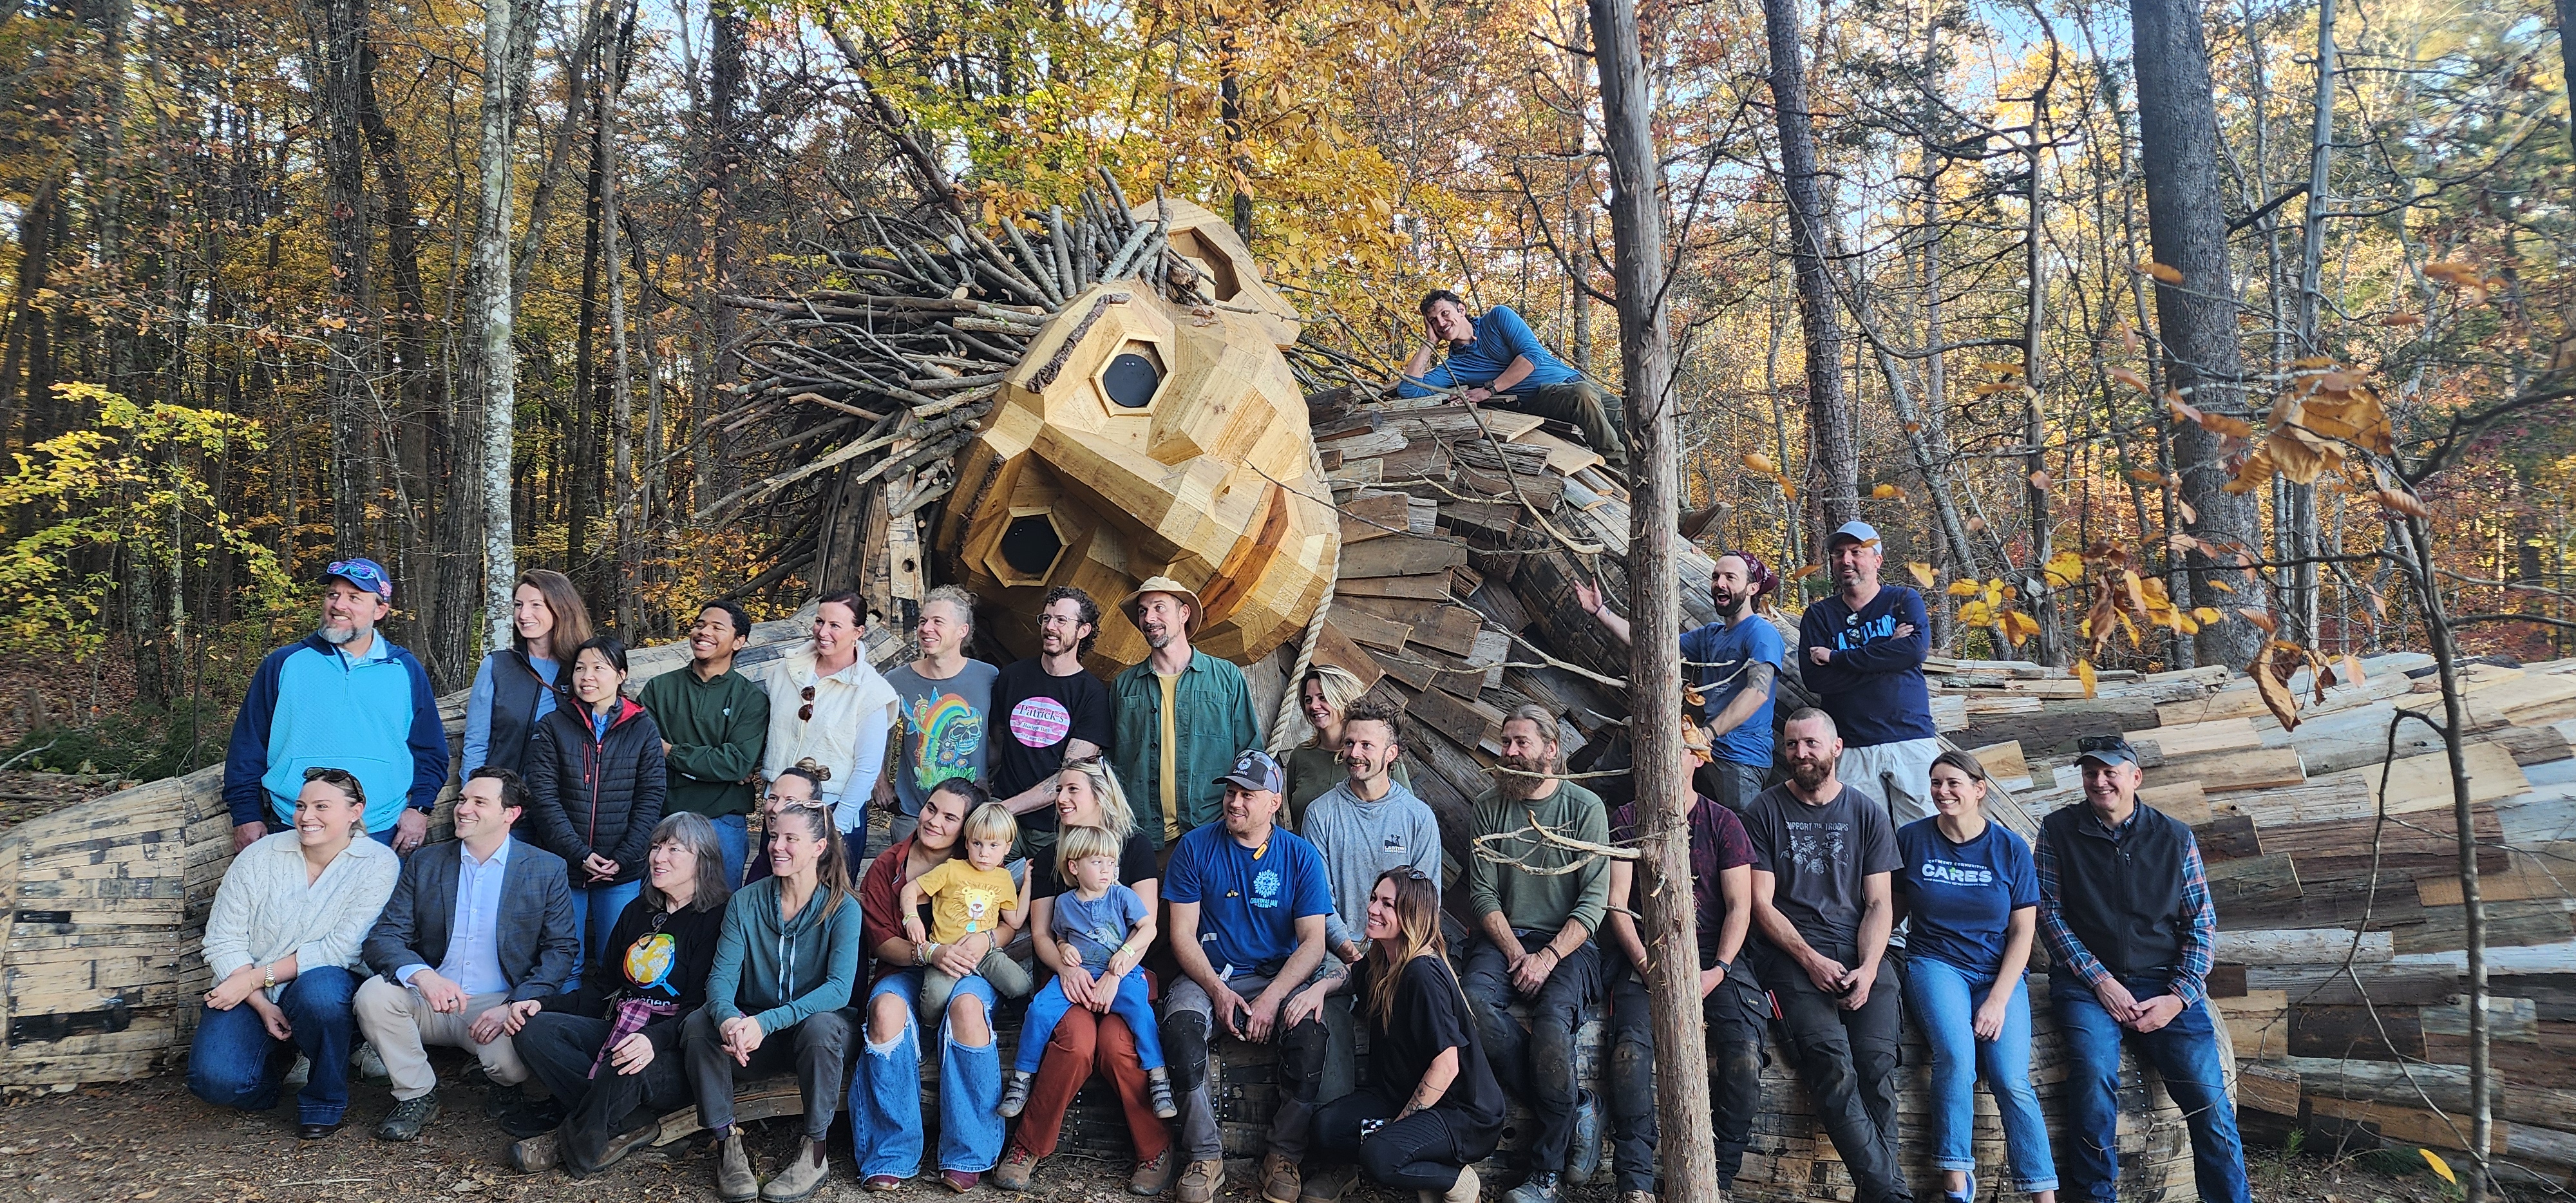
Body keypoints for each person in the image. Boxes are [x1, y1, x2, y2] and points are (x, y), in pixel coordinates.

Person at [2038, 735, 2244, 1203]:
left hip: (2164, 981)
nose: (2099, 781)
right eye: (2091, 772)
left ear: (2136, 777)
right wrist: (2101, 982)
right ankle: (2095, 1198)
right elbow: (2049, 913)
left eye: (2110, 771)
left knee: (2209, 1102)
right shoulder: (2058, 831)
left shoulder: (2174, 837)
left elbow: (2201, 925)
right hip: (2087, 983)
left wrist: (2178, 997)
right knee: (2093, 1076)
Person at [355, 766, 582, 1142]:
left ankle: (500, 1084)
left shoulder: (545, 869)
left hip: (496, 1003)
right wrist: (423, 976)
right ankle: (417, 1094)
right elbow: (385, 936)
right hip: (429, 996)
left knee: (512, 1064)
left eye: (479, 802)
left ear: (510, 814)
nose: (463, 809)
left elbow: (561, 949)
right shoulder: (427, 862)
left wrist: (515, 1004)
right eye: (462, 799)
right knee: (373, 995)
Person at [1743, 708, 1913, 1203]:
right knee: (1832, 1064)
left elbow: (1881, 903)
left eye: (1811, 744)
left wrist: (1869, 967)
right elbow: (1761, 905)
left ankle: (1880, 1193)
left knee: (1877, 1067)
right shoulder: (1764, 811)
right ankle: (1891, 1194)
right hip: (1791, 958)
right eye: (1792, 745)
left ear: (1836, 748)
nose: (1800, 754)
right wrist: (1810, 959)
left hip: (1862, 953)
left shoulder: (1865, 812)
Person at [504, 813, 733, 1178]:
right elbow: (603, 988)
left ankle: (569, 1144)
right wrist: (541, 1005)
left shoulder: (718, 918)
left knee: (626, 1060)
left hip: (677, 1048)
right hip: (621, 1026)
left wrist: (652, 1040)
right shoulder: (638, 911)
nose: (659, 857)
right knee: (533, 1029)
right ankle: (634, 1119)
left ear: (702, 860)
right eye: (656, 847)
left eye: (674, 849)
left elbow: (702, 1008)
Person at [992, 758, 1175, 1195]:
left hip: (1121, 974)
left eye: (1072, 789)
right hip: (1066, 976)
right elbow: (1040, 933)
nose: (1061, 798)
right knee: (1076, 1042)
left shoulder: (1133, 848)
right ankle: (1028, 1146)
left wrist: (1117, 973)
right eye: (1059, 790)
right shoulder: (1050, 856)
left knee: (1115, 1043)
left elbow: (1144, 926)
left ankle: (1156, 1149)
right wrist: (1066, 968)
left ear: (1101, 793)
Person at [1159, 750, 1335, 1203]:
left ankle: (1284, 1156)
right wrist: (1217, 990)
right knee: (1180, 1030)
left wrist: (1275, 997)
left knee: (1310, 1036)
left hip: (1276, 976)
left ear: (1274, 802)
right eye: (1231, 792)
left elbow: (1314, 942)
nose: (1235, 802)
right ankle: (1204, 1156)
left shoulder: (1300, 857)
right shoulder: (1196, 847)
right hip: (1208, 975)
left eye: (1247, 795)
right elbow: (1182, 935)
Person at [189, 766, 401, 1140]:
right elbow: (223, 938)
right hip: (251, 988)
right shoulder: (260, 856)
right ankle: (282, 1062)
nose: (307, 817)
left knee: (319, 992)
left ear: (356, 811)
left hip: (325, 985)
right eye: (301, 806)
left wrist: (255, 978)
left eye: (322, 806)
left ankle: (323, 1101)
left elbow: (342, 948)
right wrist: (259, 1001)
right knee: (217, 1083)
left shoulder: (377, 864)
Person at [1602, 731, 1761, 1201]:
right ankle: (1634, 1183)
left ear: (1697, 759)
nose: (1665, 761)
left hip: (1716, 958)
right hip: (1647, 954)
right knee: (1629, 1056)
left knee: (1744, 1059)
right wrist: (1647, 965)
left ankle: (1719, 1180)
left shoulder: (1723, 823)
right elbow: (1616, 905)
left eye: (1677, 751)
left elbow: (1740, 907)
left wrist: (1719, 971)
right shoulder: (1629, 818)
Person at [685, 794, 864, 1203]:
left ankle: (815, 1152)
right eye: (773, 835)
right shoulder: (746, 902)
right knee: (699, 1024)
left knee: (821, 1026)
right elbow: (720, 982)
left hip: (818, 1037)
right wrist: (730, 1021)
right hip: (753, 1041)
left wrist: (766, 1022)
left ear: (819, 848)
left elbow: (839, 989)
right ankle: (727, 1145)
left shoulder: (842, 908)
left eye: (791, 839)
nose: (777, 846)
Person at [1461, 706, 1608, 1203]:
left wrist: (1546, 957)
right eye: (1505, 742)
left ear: (1551, 749)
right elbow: (1482, 892)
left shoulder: (1585, 807)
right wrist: (1515, 952)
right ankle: (1578, 1106)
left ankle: (1544, 1176)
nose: (1510, 752)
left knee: (1551, 1027)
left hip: (1569, 945)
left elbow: (1593, 902)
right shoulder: (1488, 805)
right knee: (1471, 1008)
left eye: (1521, 743)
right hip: (1503, 938)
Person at [1897, 750, 2056, 1203]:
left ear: (1979, 789)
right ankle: (1955, 1181)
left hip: (1996, 972)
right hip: (1936, 963)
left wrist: (1998, 999)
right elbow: (1889, 908)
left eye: (1953, 783)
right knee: (1956, 1058)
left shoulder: (2010, 847)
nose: (1942, 792)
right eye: (1936, 783)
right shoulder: (1913, 839)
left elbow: (2023, 931)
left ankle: (2042, 1192)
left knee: (2011, 1079)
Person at [223, 556, 447, 854]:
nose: (339, 605)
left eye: (354, 597)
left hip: (381, 830)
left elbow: (429, 750)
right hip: (294, 825)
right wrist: (247, 815)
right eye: (333, 595)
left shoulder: (404, 669)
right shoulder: (284, 664)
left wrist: (419, 808)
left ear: (379, 609)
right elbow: (247, 746)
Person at [849, 780, 1011, 1191]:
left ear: (968, 828)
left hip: (969, 969)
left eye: (950, 817)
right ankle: (892, 1152)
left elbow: (1009, 924)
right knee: (885, 1011)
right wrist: (929, 954)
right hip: (906, 968)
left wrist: (987, 941)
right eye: (931, 809)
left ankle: (968, 1151)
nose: (934, 821)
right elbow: (881, 942)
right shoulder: (888, 867)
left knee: (966, 1010)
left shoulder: (978, 858)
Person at [1305, 869, 1502, 1203]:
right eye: (1373, 899)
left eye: (1387, 904)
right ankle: (1414, 1159)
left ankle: (1455, 1181)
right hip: (1399, 1093)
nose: (1373, 909)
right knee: (1325, 1128)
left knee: (1379, 1157)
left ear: (1411, 916)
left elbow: (1447, 1066)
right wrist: (1320, 988)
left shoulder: (1422, 974)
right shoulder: (1385, 958)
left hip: (1459, 1112)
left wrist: (1395, 1128)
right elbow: (1355, 974)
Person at [1579, 550, 1785, 810]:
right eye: (1716, 576)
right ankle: (1588, 799)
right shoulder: (1711, 635)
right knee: (1635, 728)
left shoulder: (1762, 632)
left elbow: (1758, 692)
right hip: (1698, 746)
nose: (1719, 583)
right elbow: (1651, 647)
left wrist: (1707, 734)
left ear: (1752, 588)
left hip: (1740, 758)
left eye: (1730, 577)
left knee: (1742, 833)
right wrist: (1600, 611)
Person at [999, 824, 1173, 1119]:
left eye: (1111, 862)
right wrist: (1065, 950)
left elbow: (1148, 928)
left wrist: (1126, 953)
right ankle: (1022, 1076)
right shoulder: (1065, 903)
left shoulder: (1122, 896)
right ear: (1074, 867)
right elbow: (1060, 936)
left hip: (1120, 973)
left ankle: (1158, 1076)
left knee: (1139, 1012)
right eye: (1097, 862)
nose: (1107, 870)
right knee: (1040, 1008)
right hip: (1078, 972)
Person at [523, 635, 667, 978]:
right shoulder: (553, 726)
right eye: (580, 668)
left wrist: (624, 856)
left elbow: (651, 796)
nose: (587, 676)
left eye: (599, 668)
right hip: (565, 867)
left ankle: (607, 1026)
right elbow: (543, 797)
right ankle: (561, 1026)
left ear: (621, 675)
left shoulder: (642, 729)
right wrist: (579, 854)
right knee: (563, 960)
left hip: (622, 870)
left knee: (617, 959)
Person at [1798, 521, 1938, 826]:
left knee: (1924, 834)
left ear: (1877, 559)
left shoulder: (1902, 600)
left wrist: (1837, 658)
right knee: (1863, 840)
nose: (1846, 560)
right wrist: (1889, 654)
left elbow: (1914, 652)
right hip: (1851, 744)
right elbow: (1817, 680)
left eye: (1856, 552)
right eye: (1838, 554)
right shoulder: (1820, 615)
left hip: (1910, 737)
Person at [1397, 289, 1629, 471]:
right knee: (1583, 395)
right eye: (1433, 321)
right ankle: (1620, 471)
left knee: (1631, 419)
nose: (1441, 323)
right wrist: (1429, 343)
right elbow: (1409, 390)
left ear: (1461, 309)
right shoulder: (1456, 366)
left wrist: (1489, 389)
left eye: (1444, 313)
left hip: (1577, 381)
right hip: (1546, 397)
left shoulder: (1497, 318)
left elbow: (1532, 356)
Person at [1110, 577, 1261, 849]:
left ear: (1183, 614)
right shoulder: (1123, 686)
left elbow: (1250, 756)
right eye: (1143, 611)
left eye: (1159, 608)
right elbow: (1110, 764)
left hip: (1215, 832)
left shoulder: (1226, 678)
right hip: (1141, 838)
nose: (1149, 618)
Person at [755, 590, 900, 869]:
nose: (823, 632)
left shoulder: (872, 691)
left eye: (835, 625)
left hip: (833, 811)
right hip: (780, 807)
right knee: (771, 895)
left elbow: (868, 767)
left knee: (826, 902)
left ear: (858, 632)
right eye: (820, 621)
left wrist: (839, 824)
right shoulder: (785, 671)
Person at [639, 600, 771, 888]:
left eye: (716, 628)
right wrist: (709, 763)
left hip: (721, 821)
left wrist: (671, 752)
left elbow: (735, 762)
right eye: (700, 625)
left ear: (739, 641)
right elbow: (643, 751)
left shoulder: (750, 699)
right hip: (664, 816)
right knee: (654, 905)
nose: (703, 632)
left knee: (719, 911)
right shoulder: (659, 689)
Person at [987, 586, 1112, 861]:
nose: (1050, 627)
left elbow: (1070, 775)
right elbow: (994, 746)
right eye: (1046, 618)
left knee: (1047, 899)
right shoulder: (1012, 677)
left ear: (1083, 631)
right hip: (1003, 818)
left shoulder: (1092, 695)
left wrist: (1006, 808)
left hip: (1055, 826)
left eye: (1061, 621)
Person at [884, 585, 1001, 847]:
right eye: (923, 621)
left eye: (938, 622)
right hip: (912, 813)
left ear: (963, 631)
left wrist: (992, 777)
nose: (926, 628)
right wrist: (879, 782)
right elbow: (873, 732)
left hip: (969, 818)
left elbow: (1003, 736)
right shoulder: (896, 681)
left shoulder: (989, 678)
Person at [898, 797, 1034, 1015]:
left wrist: (1027, 883)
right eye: (977, 843)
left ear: (1007, 847)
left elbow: (1016, 920)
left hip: (985, 953)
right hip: (946, 952)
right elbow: (909, 890)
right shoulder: (952, 869)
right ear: (967, 841)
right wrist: (911, 917)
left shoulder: (1004, 878)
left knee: (1019, 984)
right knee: (934, 997)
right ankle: (928, 1032)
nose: (984, 853)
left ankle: (1024, 1020)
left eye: (994, 845)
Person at [463, 569, 592, 777]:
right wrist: (471, 795)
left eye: (536, 605)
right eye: (518, 605)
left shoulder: (584, 668)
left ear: (561, 608)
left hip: (564, 802)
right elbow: (476, 744)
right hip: (504, 799)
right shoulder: (497, 666)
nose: (523, 615)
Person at [1281, 665, 1411, 829]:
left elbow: (1407, 815)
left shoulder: (1376, 755)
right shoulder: (1301, 756)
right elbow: (1298, 819)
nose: (1313, 706)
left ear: (1342, 698)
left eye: (1323, 698)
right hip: (1308, 852)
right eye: (1308, 700)